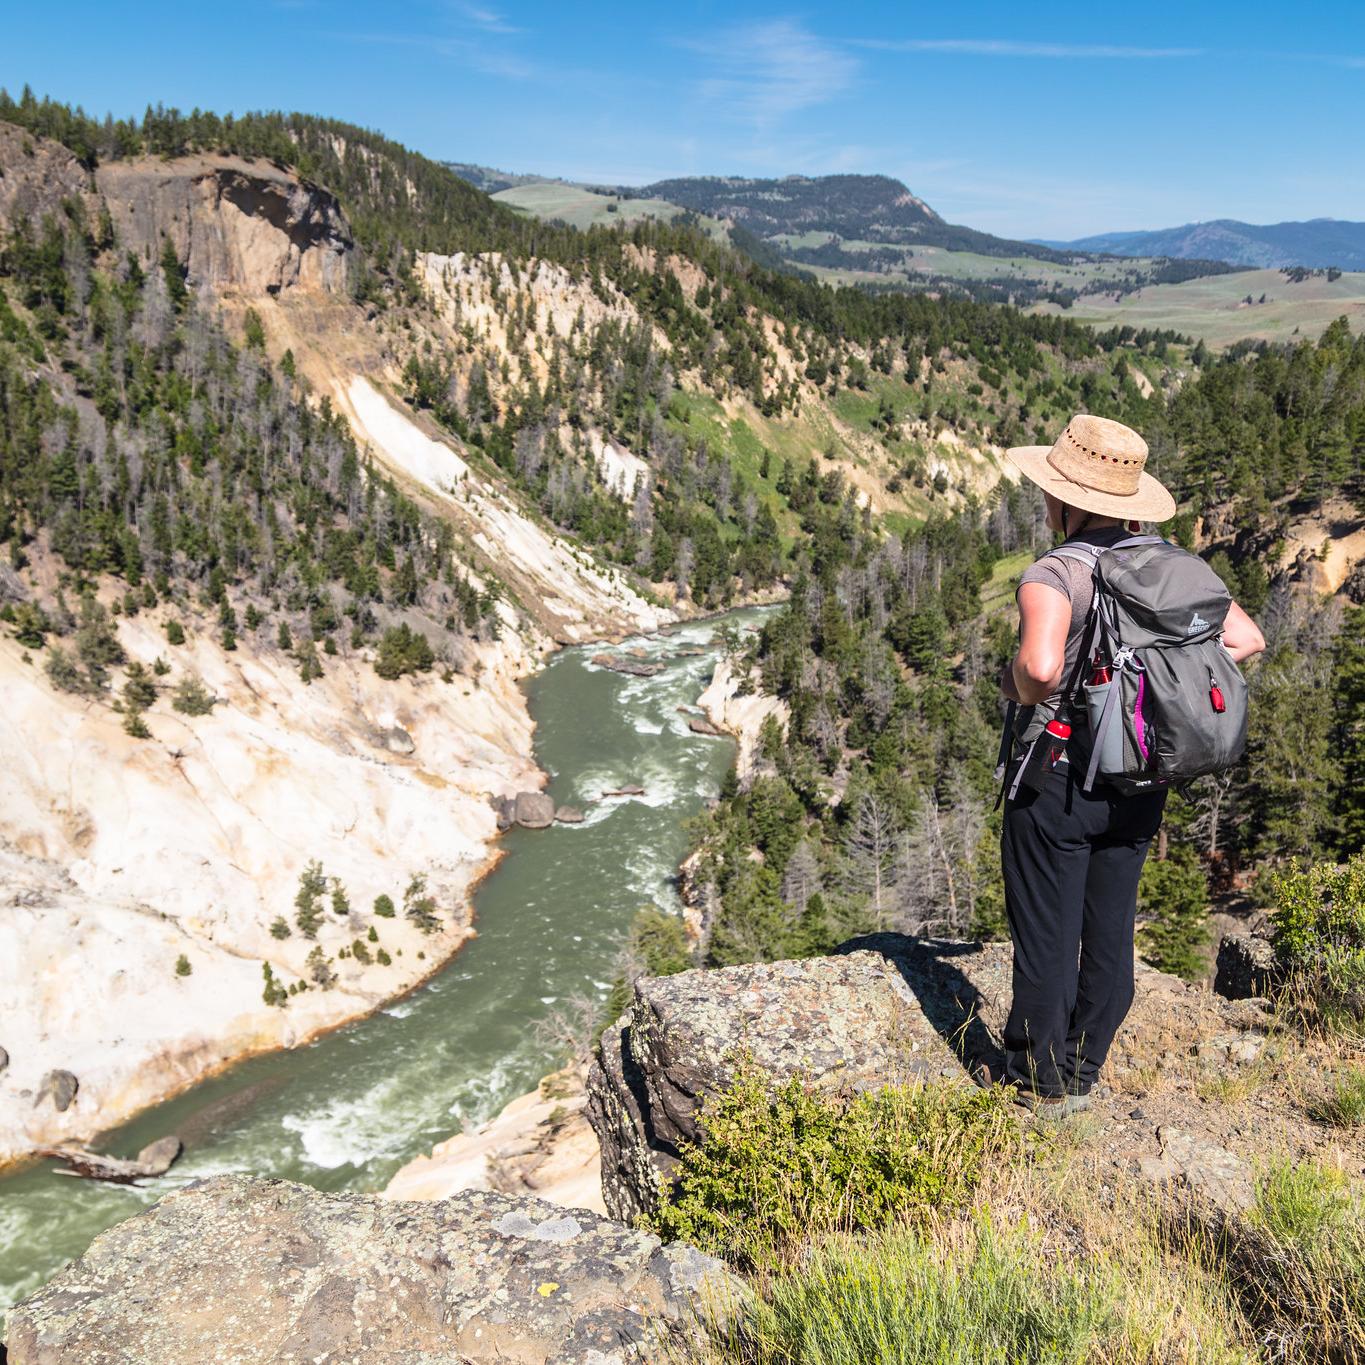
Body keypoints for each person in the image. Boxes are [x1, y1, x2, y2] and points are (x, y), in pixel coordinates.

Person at [993, 414, 1264, 1116]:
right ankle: (1082, 1069)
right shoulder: (1170, 563)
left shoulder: (1055, 572)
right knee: (1108, 924)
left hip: (1061, 773)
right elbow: (1245, 638)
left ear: (1064, 498)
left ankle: (1040, 1083)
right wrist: (1151, 693)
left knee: (1048, 929)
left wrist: (1014, 683)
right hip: (1141, 776)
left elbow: (1040, 665)